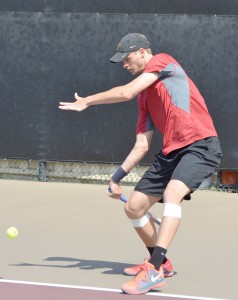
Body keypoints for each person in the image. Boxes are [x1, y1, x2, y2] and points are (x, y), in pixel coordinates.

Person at [59, 33, 222, 295]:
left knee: (172, 194)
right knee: (134, 208)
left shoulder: (164, 61)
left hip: (200, 145)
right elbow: (142, 145)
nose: (124, 64)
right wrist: (116, 178)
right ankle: (163, 262)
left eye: (127, 58)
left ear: (144, 53)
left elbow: (125, 92)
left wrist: (87, 101)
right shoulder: (144, 98)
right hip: (171, 152)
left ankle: (154, 269)